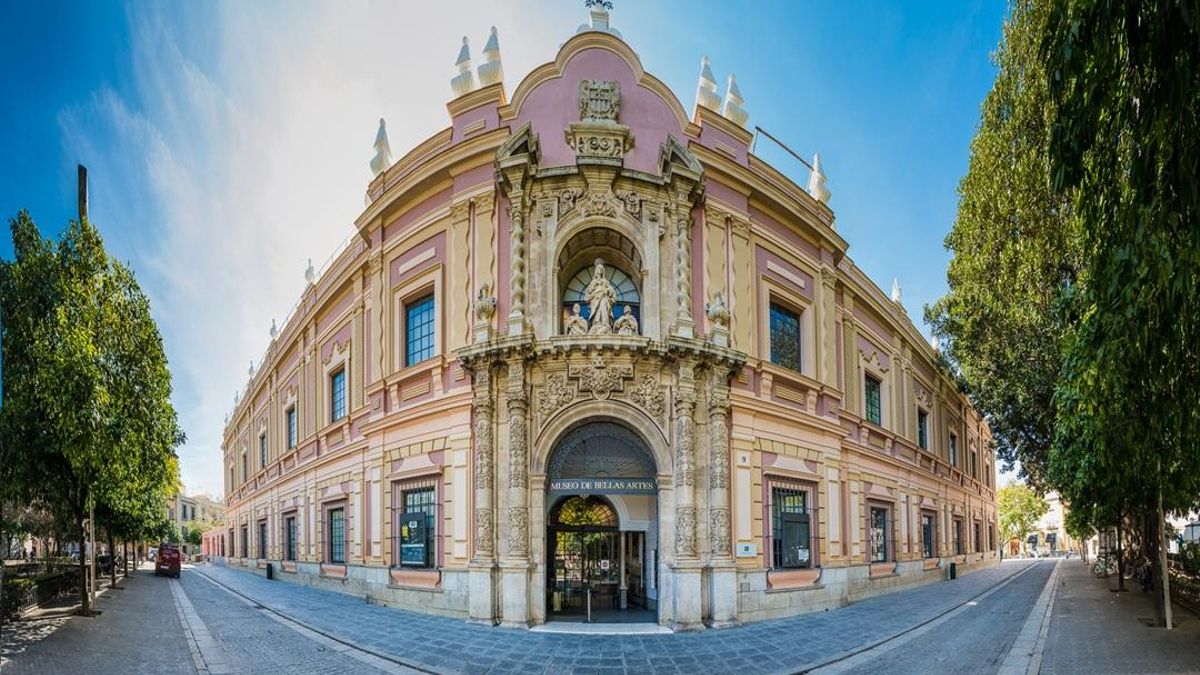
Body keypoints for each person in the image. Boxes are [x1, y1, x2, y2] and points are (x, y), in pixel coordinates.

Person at [584, 258, 617, 334]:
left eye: (601, 269)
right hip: (595, 301)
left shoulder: (605, 282)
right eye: (598, 269)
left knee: (604, 311)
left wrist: (606, 291)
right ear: (596, 271)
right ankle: (596, 325)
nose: (600, 270)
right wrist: (594, 290)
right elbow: (587, 294)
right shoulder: (593, 282)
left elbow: (612, 293)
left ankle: (605, 325)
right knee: (596, 314)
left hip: (604, 299)